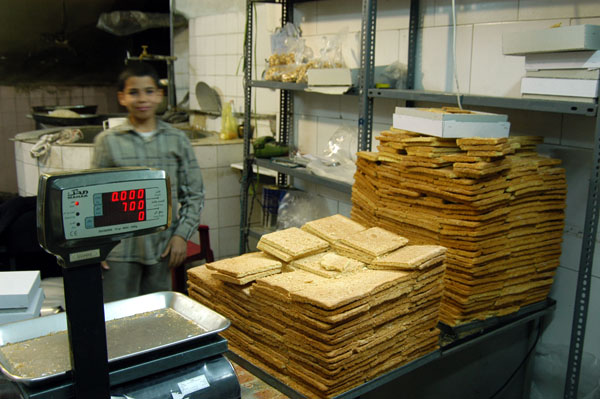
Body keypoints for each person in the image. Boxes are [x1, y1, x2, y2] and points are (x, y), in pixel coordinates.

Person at [92, 62, 204, 302]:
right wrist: (95, 247)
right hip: (118, 252)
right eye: (134, 92)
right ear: (122, 97)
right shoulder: (108, 142)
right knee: (117, 321)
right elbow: (94, 198)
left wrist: (181, 235)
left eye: (149, 91)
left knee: (156, 319)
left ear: (160, 95)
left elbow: (194, 194)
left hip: (162, 248)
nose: (142, 99)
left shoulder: (177, 140)